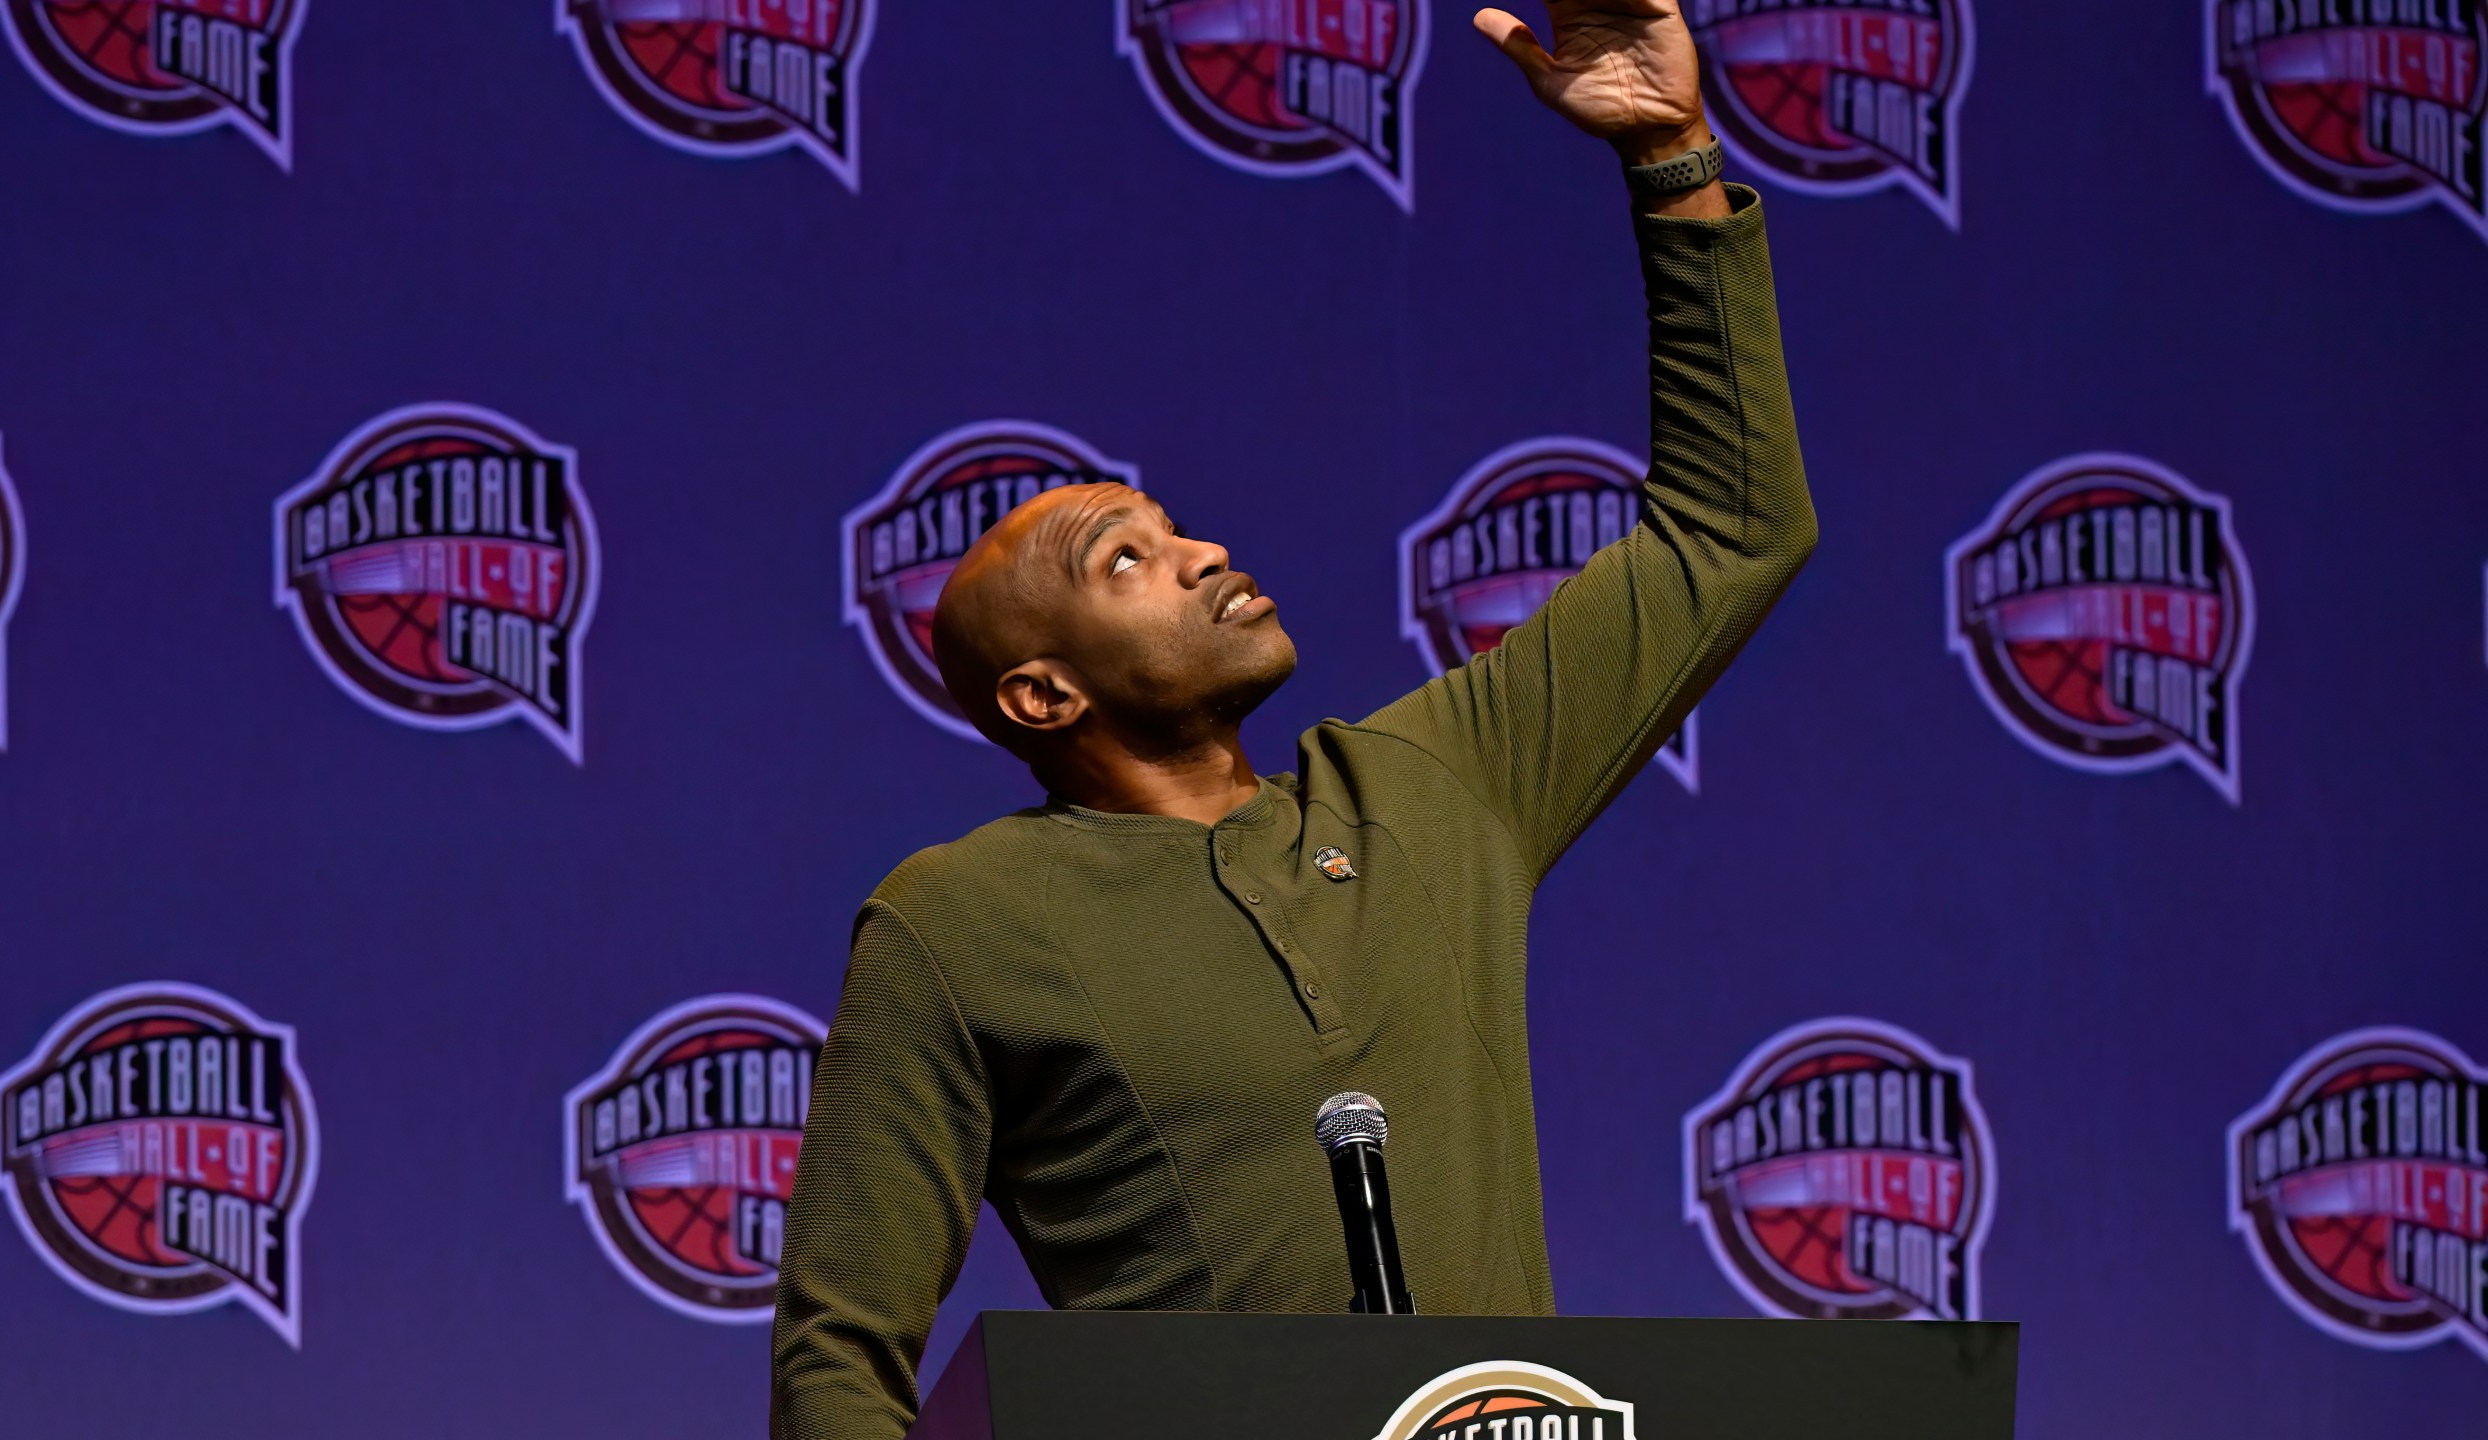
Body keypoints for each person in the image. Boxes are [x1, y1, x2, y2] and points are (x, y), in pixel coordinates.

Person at [771, 3, 1816, 1433]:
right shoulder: (957, 926)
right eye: (1124, 560)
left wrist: (1673, 158)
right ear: (1042, 692)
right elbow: (842, 1352)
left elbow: (1729, 530)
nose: (1201, 552)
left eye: (1178, 527)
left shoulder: (1434, 789)